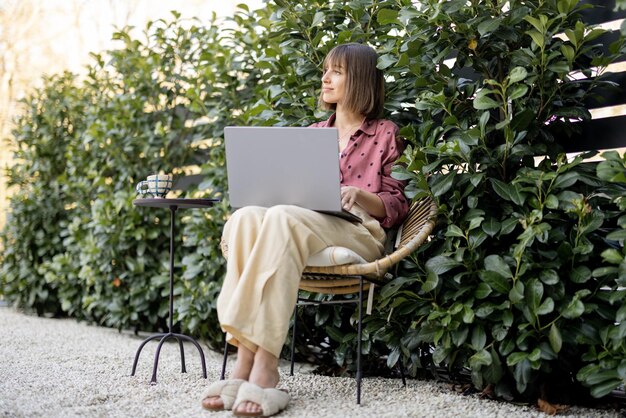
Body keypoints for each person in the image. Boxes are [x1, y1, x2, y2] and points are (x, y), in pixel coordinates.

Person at [201, 42, 409, 417]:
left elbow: (396, 205)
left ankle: (262, 368)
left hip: (359, 231)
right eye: (326, 70)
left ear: (359, 79)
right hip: (303, 223)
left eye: (337, 72)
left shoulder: (385, 133)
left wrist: (358, 194)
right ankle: (243, 365)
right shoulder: (313, 132)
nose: (325, 78)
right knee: (248, 216)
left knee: (281, 216)